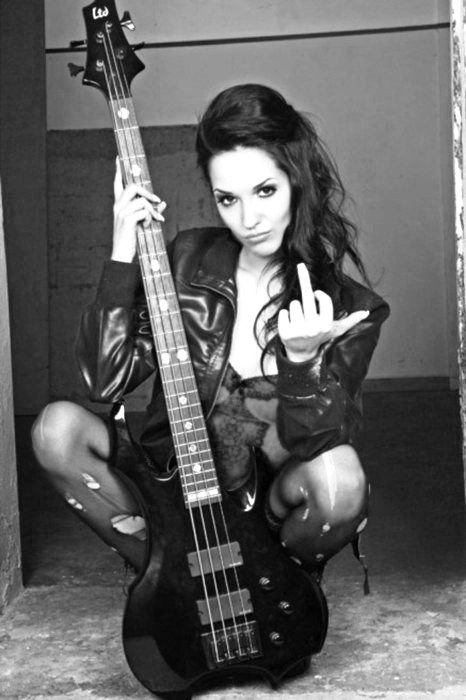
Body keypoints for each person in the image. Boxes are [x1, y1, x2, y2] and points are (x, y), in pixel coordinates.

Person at [31, 83, 389, 583]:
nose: (249, 219)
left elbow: (321, 444)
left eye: (265, 191)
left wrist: (302, 362)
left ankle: (277, 588)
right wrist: (121, 255)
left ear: (297, 182)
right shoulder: (186, 261)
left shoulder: (350, 308)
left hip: (268, 509)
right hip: (176, 487)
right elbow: (105, 382)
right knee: (57, 429)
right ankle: (167, 579)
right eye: (227, 199)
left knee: (340, 479)